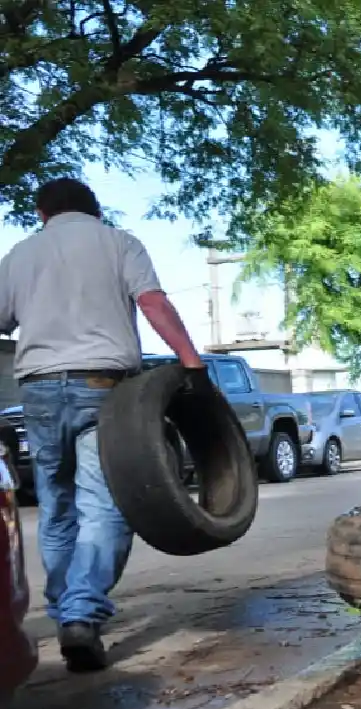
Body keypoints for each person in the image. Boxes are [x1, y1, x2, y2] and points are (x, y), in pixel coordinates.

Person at [0, 177, 207, 673]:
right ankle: (81, 615)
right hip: (104, 387)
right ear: (93, 210)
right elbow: (152, 303)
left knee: (55, 503)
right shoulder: (120, 242)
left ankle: (66, 610)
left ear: (42, 212)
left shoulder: (20, 255)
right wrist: (190, 361)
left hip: (38, 390)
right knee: (105, 503)